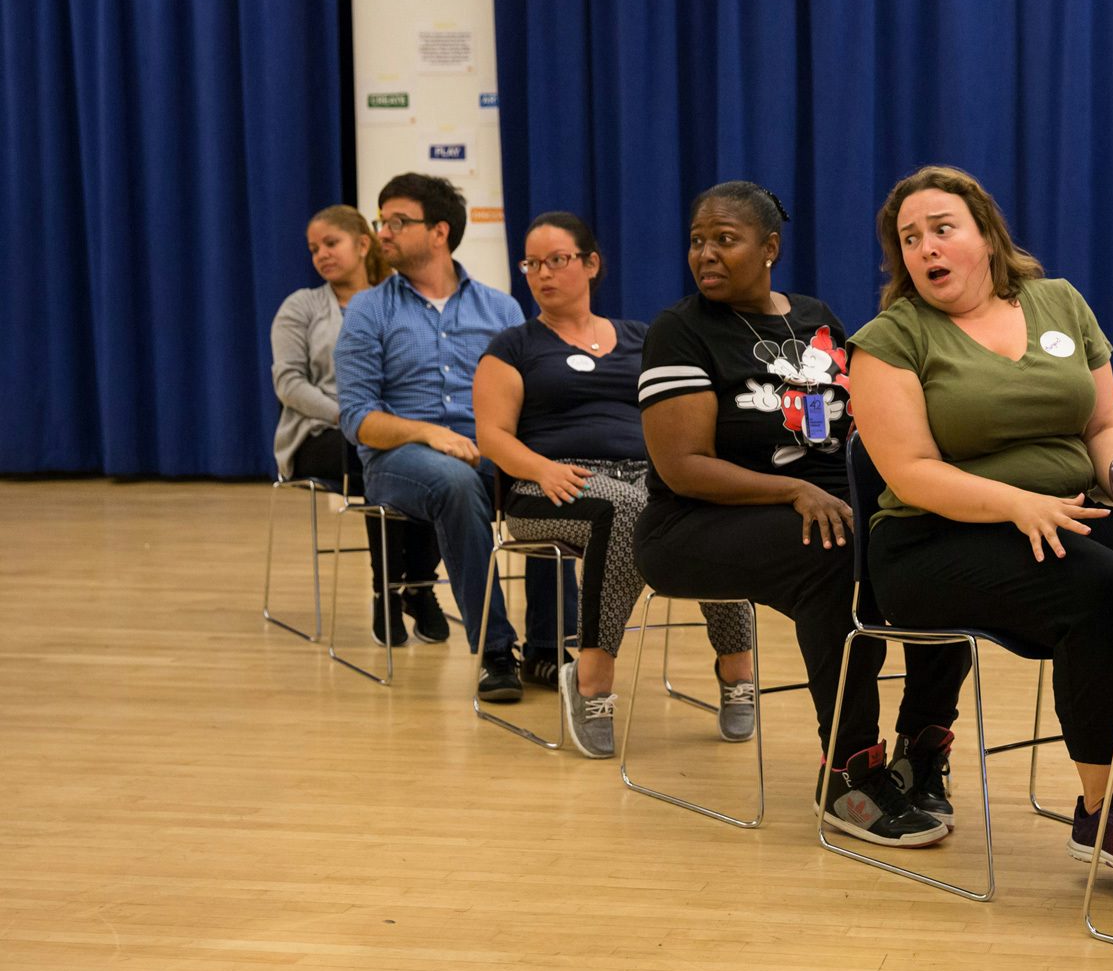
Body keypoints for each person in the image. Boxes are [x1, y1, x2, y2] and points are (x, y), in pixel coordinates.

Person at [846, 166, 1113, 870]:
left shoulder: (1058, 303)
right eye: (910, 239)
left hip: (1062, 513)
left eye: (941, 230)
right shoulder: (890, 338)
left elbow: (1104, 423)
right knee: (1102, 593)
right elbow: (910, 471)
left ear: (985, 235)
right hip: (930, 541)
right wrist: (1016, 503)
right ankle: (1101, 812)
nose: (926, 249)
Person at [635, 180, 968, 848]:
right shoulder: (682, 331)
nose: (705, 253)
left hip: (821, 507)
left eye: (724, 239)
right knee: (835, 559)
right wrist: (790, 491)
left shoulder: (814, 316)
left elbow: (862, 420)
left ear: (769, 248)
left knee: (947, 548)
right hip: (692, 525)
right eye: (697, 240)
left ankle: (921, 747)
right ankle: (847, 775)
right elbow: (683, 465)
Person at [474, 212, 759, 757]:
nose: (542, 274)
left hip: (644, 477)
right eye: (532, 263)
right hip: (549, 487)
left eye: (556, 260)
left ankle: (736, 668)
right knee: (626, 511)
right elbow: (491, 436)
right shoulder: (513, 346)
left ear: (590, 264)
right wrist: (541, 468)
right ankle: (593, 678)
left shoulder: (641, 338)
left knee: (709, 512)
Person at [336, 173, 576, 699]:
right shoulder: (368, 311)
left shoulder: (501, 309)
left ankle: (548, 647)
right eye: (382, 222)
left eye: (398, 221)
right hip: (398, 458)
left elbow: (527, 402)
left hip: (490, 447)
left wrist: (535, 458)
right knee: (453, 480)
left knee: (550, 481)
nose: (384, 233)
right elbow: (356, 418)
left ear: (439, 231)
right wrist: (428, 433)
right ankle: (494, 650)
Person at [270, 204, 443, 646]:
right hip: (319, 435)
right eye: (314, 249)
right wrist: (352, 418)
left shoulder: (399, 301)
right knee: (377, 454)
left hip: (396, 429)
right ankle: (386, 591)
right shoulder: (302, 306)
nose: (321, 255)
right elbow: (289, 383)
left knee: (433, 463)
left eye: (331, 243)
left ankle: (420, 587)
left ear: (363, 244)